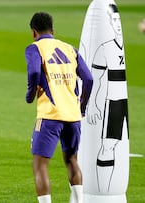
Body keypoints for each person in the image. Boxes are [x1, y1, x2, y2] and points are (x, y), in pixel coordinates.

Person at [25, 12, 93, 203]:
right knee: (72, 160)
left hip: (50, 115)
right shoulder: (69, 48)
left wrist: (30, 95)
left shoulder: (34, 48)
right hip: (73, 116)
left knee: (40, 165)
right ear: (53, 31)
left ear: (33, 32)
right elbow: (88, 78)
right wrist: (82, 107)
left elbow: (35, 71)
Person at [86, 4, 129, 193]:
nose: (117, 24)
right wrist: (93, 104)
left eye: (119, 20)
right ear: (109, 23)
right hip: (112, 103)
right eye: (114, 20)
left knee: (117, 144)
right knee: (107, 146)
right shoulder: (104, 48)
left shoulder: (119, 48)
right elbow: (94, 77)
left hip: (124, 104)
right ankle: (102, 191)